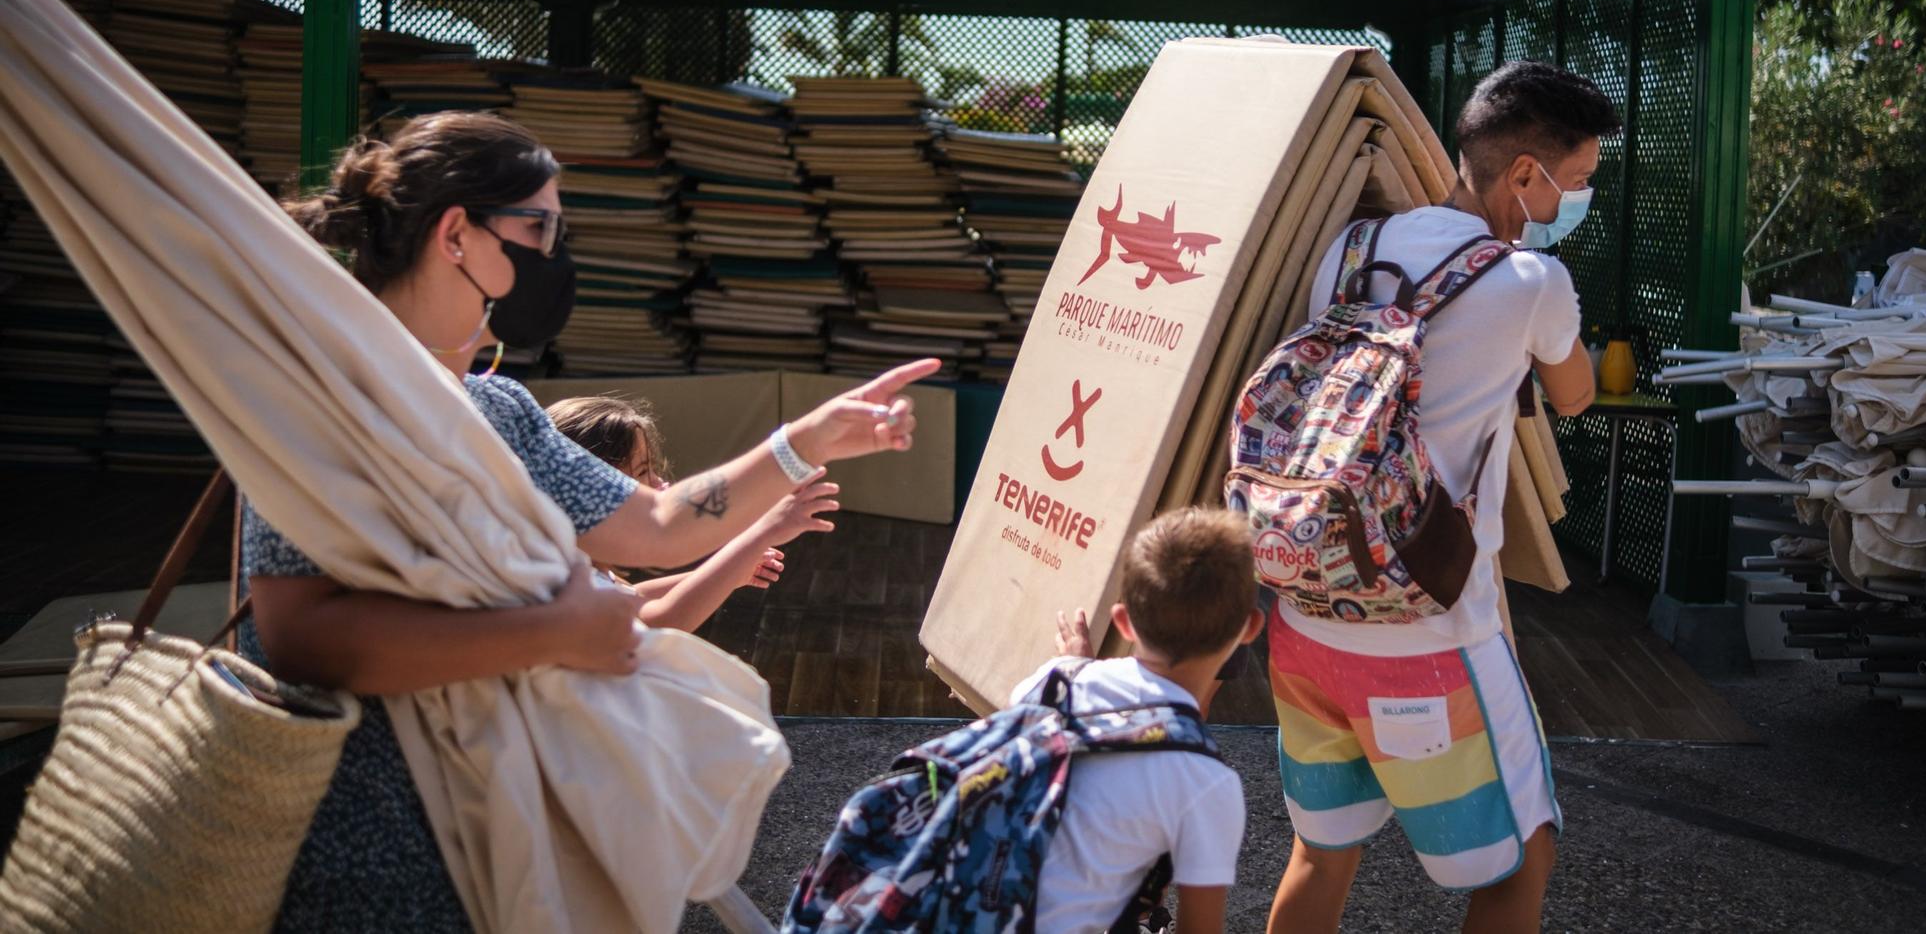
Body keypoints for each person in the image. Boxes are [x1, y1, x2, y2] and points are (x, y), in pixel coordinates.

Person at [240, 111, 938, 933]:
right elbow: (300, 639)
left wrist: (805, 439)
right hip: (369, 844)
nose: (554, 253)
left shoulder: (497, 408)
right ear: (456, 234)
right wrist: (556, 633)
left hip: (495, 827)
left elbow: (660, 523)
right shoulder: (323, 405)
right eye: (538, 226)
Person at [1264, 60, 1615, 934]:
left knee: (1319, 854)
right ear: (1526, 175)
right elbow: (1574, 395)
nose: (1578, 200)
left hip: (1306, 615)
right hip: (1425, 631)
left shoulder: (1350, 250)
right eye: (1577, 183)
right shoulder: (1531, 282)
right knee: (1522, 857)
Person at [1012, 508, 1264, 934]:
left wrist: (1075, 667)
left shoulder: (1051, 683)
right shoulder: (1206, 782)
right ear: (1250, 630)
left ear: (1123, 621)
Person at [547, 392, 836, 631]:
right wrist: (763, 533)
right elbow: (662, 619)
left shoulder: (580, 563)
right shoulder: (568, 579)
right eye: (643, 472)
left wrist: (732, 572)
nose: (661, 483)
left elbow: (633, 596)